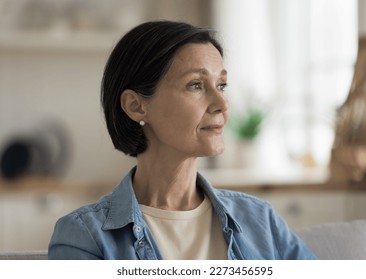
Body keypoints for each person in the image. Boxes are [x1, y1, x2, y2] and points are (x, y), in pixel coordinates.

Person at [48, 20, 316, 260]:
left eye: (221, 85)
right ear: (136, 106)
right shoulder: (84, 236)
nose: (222, 103)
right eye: (196, 85)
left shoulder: (260, 220)